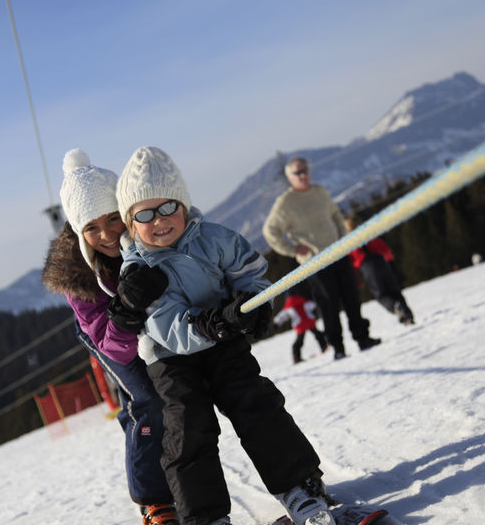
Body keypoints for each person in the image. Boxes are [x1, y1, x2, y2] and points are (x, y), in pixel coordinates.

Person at [109, 146, 337, 525]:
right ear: (131, 224)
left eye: (168, 207)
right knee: (188, 427)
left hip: (224, 341)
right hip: (171, 358)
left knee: (255, 402)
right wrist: (218, 323)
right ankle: (205, 517)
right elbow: (168, 328)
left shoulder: (215, 238)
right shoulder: (138, 270)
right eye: (145, 214)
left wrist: (254, 303)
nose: (159, 220)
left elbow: (251, 274)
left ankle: (300, 487)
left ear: (183, 205)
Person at [41, 149, 178, 525]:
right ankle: (154, 501)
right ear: (77, 230)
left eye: (113, 219)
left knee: (181, 391)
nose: (106, 235)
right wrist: (128, 310)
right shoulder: (78, 277)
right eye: (91, 227)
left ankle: (187, 481)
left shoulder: (148, 233)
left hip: (150, 324)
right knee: (147, 399)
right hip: (108, 334)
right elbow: (112, 347)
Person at [262, 157, 380, 360]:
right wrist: (292, 249)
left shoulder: (320, 191)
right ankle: (338, 348)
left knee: (352, 298)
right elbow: (270, 231)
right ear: (289, 178)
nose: (303, 175)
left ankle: (363, 338)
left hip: (339, 253)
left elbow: (336, 214)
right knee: (328, 305)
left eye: (305, 170)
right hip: (315, 263)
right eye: (297, 173)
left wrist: (343, 235)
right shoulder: (285, 203)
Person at [343, 216, 415, 325]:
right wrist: (389, 259)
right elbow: (384, 247)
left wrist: (357, 280)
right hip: (381, 262)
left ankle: (395, 307)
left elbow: (351, 262)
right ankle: (407, 316)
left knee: (381, 295)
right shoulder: (368, 234)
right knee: (395, 291)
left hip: (367, 267)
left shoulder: (348, 242)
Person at [273, 282, 328, 363]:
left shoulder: (288, 307)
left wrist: (276, 323)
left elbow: (282, 316)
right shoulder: (303, 301)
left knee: (299, 341)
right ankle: (324, 346)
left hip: (299, 324)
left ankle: (296, 357)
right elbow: (312, 304)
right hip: (309, 321)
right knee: (318, 334)